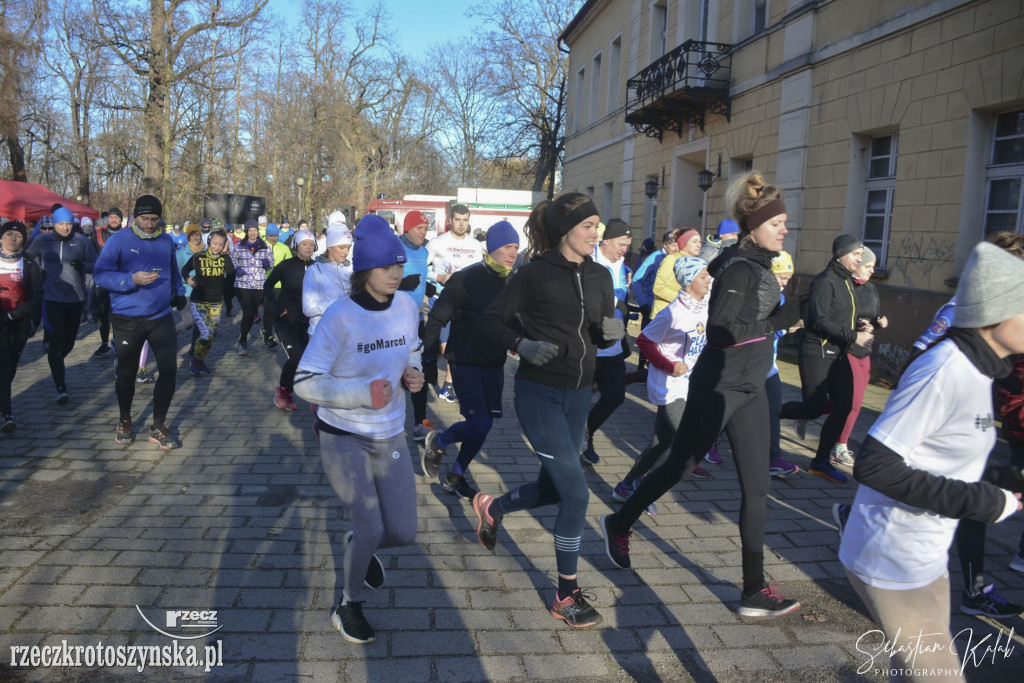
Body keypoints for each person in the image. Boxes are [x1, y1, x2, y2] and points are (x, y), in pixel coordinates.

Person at [601, 171, 802, 618]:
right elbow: (723, 330)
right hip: (719, 384)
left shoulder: (757, 261)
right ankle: (620, 520)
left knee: (757, 487)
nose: (785, 229)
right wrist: (782, 321)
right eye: (777, 223)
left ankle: (753, 591)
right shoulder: (742, 266)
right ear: (755, 227)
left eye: (785, 222)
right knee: (680, 465)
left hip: (751, 385)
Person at [836, 241, 1024, 678]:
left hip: (926, 559)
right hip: (890, 560)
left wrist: (1004, 479)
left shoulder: (981, 371)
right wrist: (985, 502)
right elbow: (874, 465)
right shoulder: (945, 369)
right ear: (996, 314)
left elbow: (944, 458)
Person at [474, 192, 619, 628]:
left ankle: (492, 507)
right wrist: (522, 345)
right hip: (539, 396)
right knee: (576, 493)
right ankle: (565, 594)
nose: (598, 234)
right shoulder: (534, 274)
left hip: (579, 396)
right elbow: (489, 320)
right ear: (565, 231)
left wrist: (613, 332)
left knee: (556, 488)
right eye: (589, 226)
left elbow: (606, 328)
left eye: (598, 226)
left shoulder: (600, 275)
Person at [293, 215, 423, 645]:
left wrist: (414, 371)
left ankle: (359, 546)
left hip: (391, 433)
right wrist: (360, 393)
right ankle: (347, 604)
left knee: (403, 532)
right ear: (365, 270)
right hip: (342, 434)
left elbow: (413, 348)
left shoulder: (406, 306)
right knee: (370, 526)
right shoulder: (340, 316)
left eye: (399, 267)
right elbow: (305, 382)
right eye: (387, 268)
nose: (395, 275)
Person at [420, 221, 521, 498]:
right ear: (493, 248)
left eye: (516, 247)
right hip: (465, 362)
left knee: (483, 426)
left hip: (494, 364)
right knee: (479, 423)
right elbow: (438, 317)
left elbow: (517, 321)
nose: (513, 253)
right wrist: (429, 358)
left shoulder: (513, 281)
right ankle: (439, 441)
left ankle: (455, 476)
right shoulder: (467, 278)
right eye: (507, 247)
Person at [612, 256, 712, 515]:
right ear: (690, 281)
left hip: (690, 385)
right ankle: (645, 489)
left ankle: (626, 486)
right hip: (669, 385)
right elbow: (644, 342)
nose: (708, 280)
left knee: (661, 442)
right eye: (703, 276)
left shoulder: (706, 306)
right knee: (684, 441)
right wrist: (670, 365)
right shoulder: (673, 313)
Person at [93, 194, 187, 449]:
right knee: (127, 373)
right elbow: (100, 275)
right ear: (135, 216)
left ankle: (158, 426)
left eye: (155, 219)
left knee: (168, 370)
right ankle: (125, 419)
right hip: (128, 319)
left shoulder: (166, 240)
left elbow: (173, 271)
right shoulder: (119, 240)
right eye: (144, 219)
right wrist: (129, 280)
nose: (149, 224)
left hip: (160, 317)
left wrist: (178, 293)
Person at [779, 234, 873, 483]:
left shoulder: (847, 282)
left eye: (860, 254)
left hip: (839, 354)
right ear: (841, 254)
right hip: (816, 352)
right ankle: (767, 413)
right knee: (814, 407)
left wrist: (861, 325)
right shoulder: (825, 281)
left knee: (844, 405)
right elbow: (820, 320)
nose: (859, 258)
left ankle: (820, 462)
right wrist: (854, 335)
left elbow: (841, 316)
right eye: (855, 254)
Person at [27, 206, 97, 403]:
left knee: (68, 342)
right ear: (54, 224)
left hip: (75, 298)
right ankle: (60, 387)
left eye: (68, 224)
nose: (65, 228)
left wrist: (83, 266)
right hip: (51, 298)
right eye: (60, 224)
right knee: (56, 340)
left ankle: (56, 360)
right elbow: (29, 259)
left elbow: (96, 263)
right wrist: (36, 276)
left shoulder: (82, 241)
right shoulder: (42, 240)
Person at [581, 219, 633, 466]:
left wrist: (622, 314)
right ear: (606, 240)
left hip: (612, 346)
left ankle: (587, 431)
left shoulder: (622, 266)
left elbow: (621, 301)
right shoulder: (590, 262)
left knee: (615, 395)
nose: (624, 249)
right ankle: (576, 441)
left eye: (627, 245)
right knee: (579, 398)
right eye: (621, 244)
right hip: (590, 346)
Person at [833, 247, 888, 464]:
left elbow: (873, 317)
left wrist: (878, 323)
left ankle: (809, 413)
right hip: (847, 349)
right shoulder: (845, 286)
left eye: (873, 267)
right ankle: (840, 447)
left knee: (850, 401)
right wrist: (856, 325)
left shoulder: (871, 289)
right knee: (854, 403)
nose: (872, 271)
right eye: (867, 266)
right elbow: (837, 317)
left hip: (865, 350)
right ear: (856, 265)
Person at [427, 204, 483, 401]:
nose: (461, 224)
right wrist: (439, 276)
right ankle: (425, 366)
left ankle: (448, 386)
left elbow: (479, 272)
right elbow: (420, 267)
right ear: (450, 220)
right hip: (442, 300)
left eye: (465, 220)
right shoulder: (437, 242)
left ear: (469, 221)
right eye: (458, 219)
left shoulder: (475, 245)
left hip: (465, 304)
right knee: (442, 349)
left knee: (457, 346)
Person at [265, 229, 316, 410]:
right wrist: (277, 308)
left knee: (302, 361)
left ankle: (287, 391)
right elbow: (267, 286)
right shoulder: (286, 266)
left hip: (305, 322)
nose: (308, 248)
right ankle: (282, 390)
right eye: (305, 244)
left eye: (311, 244)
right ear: (296, 246)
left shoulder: (317, 267)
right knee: (296, 357)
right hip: (285, 320)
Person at [0, 221, 43, 432]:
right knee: (3, 367)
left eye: (18, 235)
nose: (13, 238)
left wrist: (14, 314)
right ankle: (7, 415)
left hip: (19, 323)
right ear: (0, 237)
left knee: (9, 370)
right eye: (8, 234)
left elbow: (37, 296)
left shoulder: (30, 262)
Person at [397, 210, 435, 441]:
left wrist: (427, 288)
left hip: (417, 318)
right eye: (419, 228)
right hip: (393, 319)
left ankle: (420, 423)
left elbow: (421, 279)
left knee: (418, 370)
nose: (423, 232)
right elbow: (378, 279)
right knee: (395, 369)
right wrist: (402, 284)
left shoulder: (424, 252)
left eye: (425, 228)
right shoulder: (394, 249)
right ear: (408, 228)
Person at [765, 251, 802, 477]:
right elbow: (759, 330)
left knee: (774, 409)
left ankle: (773, 459)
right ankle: (707, 445)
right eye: (781, 277)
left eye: (788, 278)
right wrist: (784, 328)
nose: (785, 283)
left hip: (769, 365)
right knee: (731, 411)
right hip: (749, 365)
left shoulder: (781, 298)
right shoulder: (760, 296)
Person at [180, 230, 234, 376]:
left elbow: (230, 271)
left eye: (220, 245)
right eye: (214, 243)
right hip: (199, 301)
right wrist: (188, 279)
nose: (216, 247)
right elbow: (184, 269)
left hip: (216, 302)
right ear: (209, 241)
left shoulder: (224, 258)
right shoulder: (198, 257)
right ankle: (195, 360)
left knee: (211, 334)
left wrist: (225, 252)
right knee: (206, 332)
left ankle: (199, 358)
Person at [302, 220, 352, 335]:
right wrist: (336, 304)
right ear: (330, 247)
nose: (346, 252)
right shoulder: (314, 271)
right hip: (321, 335)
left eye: (348, 248)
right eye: (342, 247)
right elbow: (308, 308)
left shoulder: (348, 269)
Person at [230, 219, 272, 355]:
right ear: (247, 232)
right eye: (250, 230)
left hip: (259, 285)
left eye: (255, 230)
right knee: (247, 313)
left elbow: (272, 262)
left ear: (258, 231)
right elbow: (233, 259)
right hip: (242, 283)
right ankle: (243, 341)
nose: (253, 233)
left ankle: (243, 335)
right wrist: (237, 268)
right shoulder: (239, 246)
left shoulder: (265, 246)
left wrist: (268, 263)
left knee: (251, 314)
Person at [90, 207, 124, 357]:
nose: (113, 220)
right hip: (103, 278)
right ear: (107, 219)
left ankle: (117, 341)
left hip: (120, 278)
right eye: (111, 217)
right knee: (103, 312)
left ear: (121, 220)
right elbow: (90, 255)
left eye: (116, 217)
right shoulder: (98, 235)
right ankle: (104, 343)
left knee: (118, 312)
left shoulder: (126, 234)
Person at [650, 228, 702, 319]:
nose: (699, 245)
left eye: (700, 241)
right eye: (694, 241)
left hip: (683, 317)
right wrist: (685, 299)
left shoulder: (698, 263)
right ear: (684, 243)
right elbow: (658, 288)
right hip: (664, 317)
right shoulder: (671, 260)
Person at [260, 223, 291, 349]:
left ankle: (280, 334)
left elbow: (290, 264)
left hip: (280, 285)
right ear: (267, 236)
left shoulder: (284, 248)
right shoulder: (261, 247)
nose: (273, 238)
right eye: (271, 235)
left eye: (275, 235)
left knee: (279, 311)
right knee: (268, 311)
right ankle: (268, 334)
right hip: (266, 284)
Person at [175, 223, 206, 336]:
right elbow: (175, 273)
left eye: (197, 235)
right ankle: (175, 329)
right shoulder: (181, 253)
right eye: (192, 235)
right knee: (188, 324)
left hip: (203, 293)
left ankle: (195, 349)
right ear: (188, 237)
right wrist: (187, 279)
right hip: (187, 293)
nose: (195, 238)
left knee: (201, 324)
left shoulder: (207, 251)